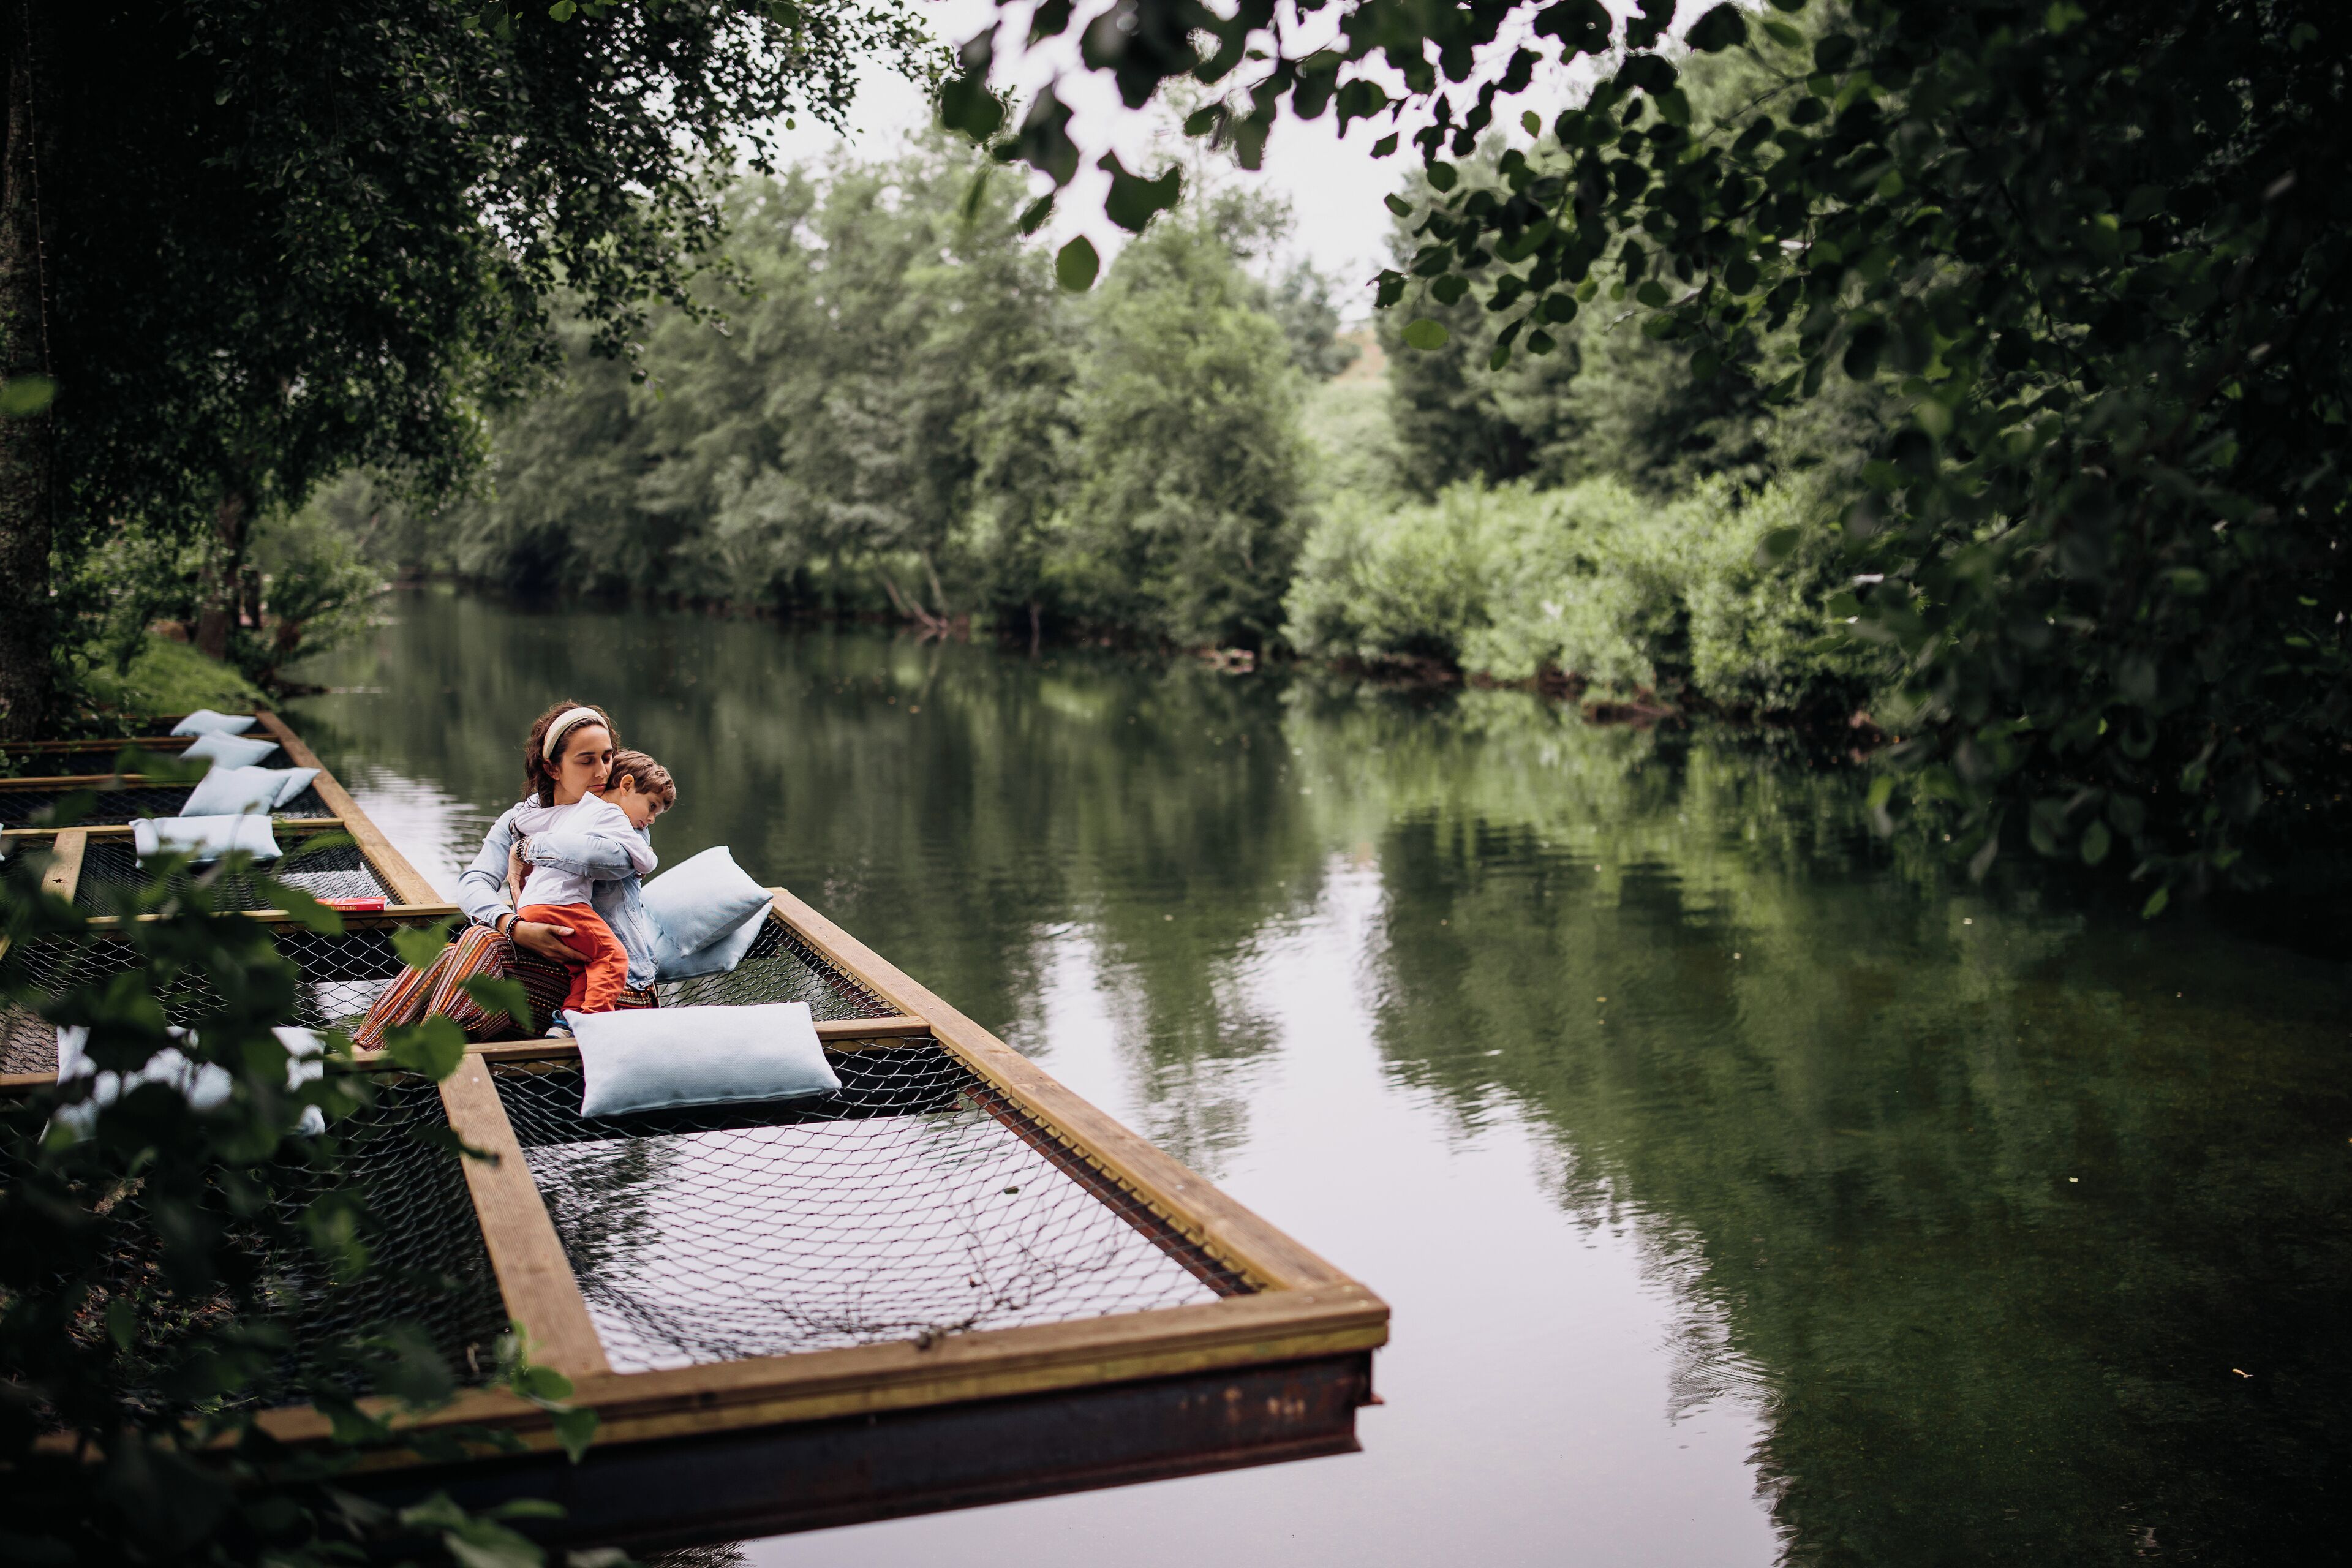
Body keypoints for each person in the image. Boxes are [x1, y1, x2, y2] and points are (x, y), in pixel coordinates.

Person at [510, 751, 674, 1030]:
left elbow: (522, 822)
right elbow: (638, 860)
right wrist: (648, 857)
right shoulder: (612, 815)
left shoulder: (575, 810)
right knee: (613, 957)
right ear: (625, 786)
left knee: (583, 966)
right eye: (651, 806)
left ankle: (566, 1022)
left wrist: (522, 846)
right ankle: (593, 1025)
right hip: (564, 904)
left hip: (531, 905)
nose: (651, 819)